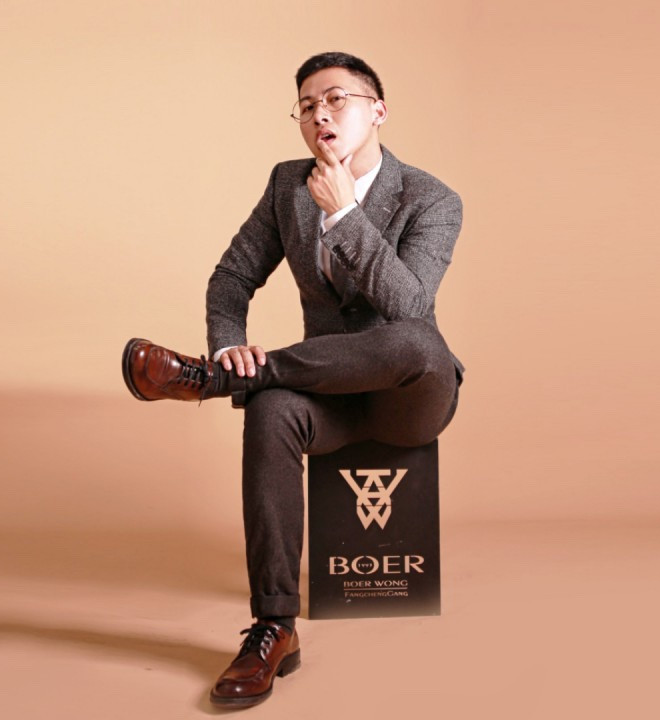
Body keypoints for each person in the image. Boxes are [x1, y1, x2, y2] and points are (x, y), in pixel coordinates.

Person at [122, 51, 465, 708]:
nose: (320, 115)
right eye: (307, 106)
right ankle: (274, 627)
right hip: (329, 397)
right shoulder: (287, 185)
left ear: (378, 111)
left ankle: (208, 382)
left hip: (409, 398)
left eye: (336, 99)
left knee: (418, 338)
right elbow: (231, 279)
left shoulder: (432, 198)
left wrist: (345, 215)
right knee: (272, 406)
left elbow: (409, 305)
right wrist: (229, 347)